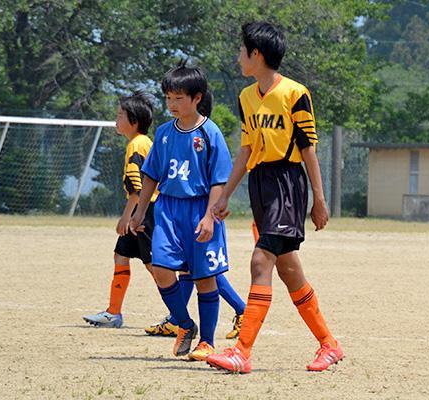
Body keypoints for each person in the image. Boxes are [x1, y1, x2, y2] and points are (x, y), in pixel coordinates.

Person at [207, 21, 343, 373]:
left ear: (257, 55)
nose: (238, 57)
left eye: (242, 51)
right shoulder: (246, 97)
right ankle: (329, 344)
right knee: (288, 269)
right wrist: (224, 195)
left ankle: (242, 351)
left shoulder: (296, 93)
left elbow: (308, 148)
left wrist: (319, 198)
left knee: (260, 261)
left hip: (287, 182)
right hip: (260, 184)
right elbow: (246, 150)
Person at [130, 61, 238, 361]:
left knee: (205, 278)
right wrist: (139, 212)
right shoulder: (164, 133)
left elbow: (219, 179)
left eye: (178, 98)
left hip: (200, 209)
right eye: (168, 98)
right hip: (167, 209)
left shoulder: (209, 133)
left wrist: (209, 216)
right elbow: (151, 173)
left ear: (197, 98)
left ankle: (207, 341)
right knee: (162, 270)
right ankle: (184, 324)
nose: (172, 104)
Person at [83, 91, 163, 329]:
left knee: (154, 266)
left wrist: (126, 218)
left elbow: (138, 190)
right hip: (143, 209)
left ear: (134, 121)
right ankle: (113, 313)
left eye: (120, 115)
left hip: (144, 211)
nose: (116, 120)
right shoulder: (143, 142)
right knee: (121, 256)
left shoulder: (137, 145)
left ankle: (177, 316)